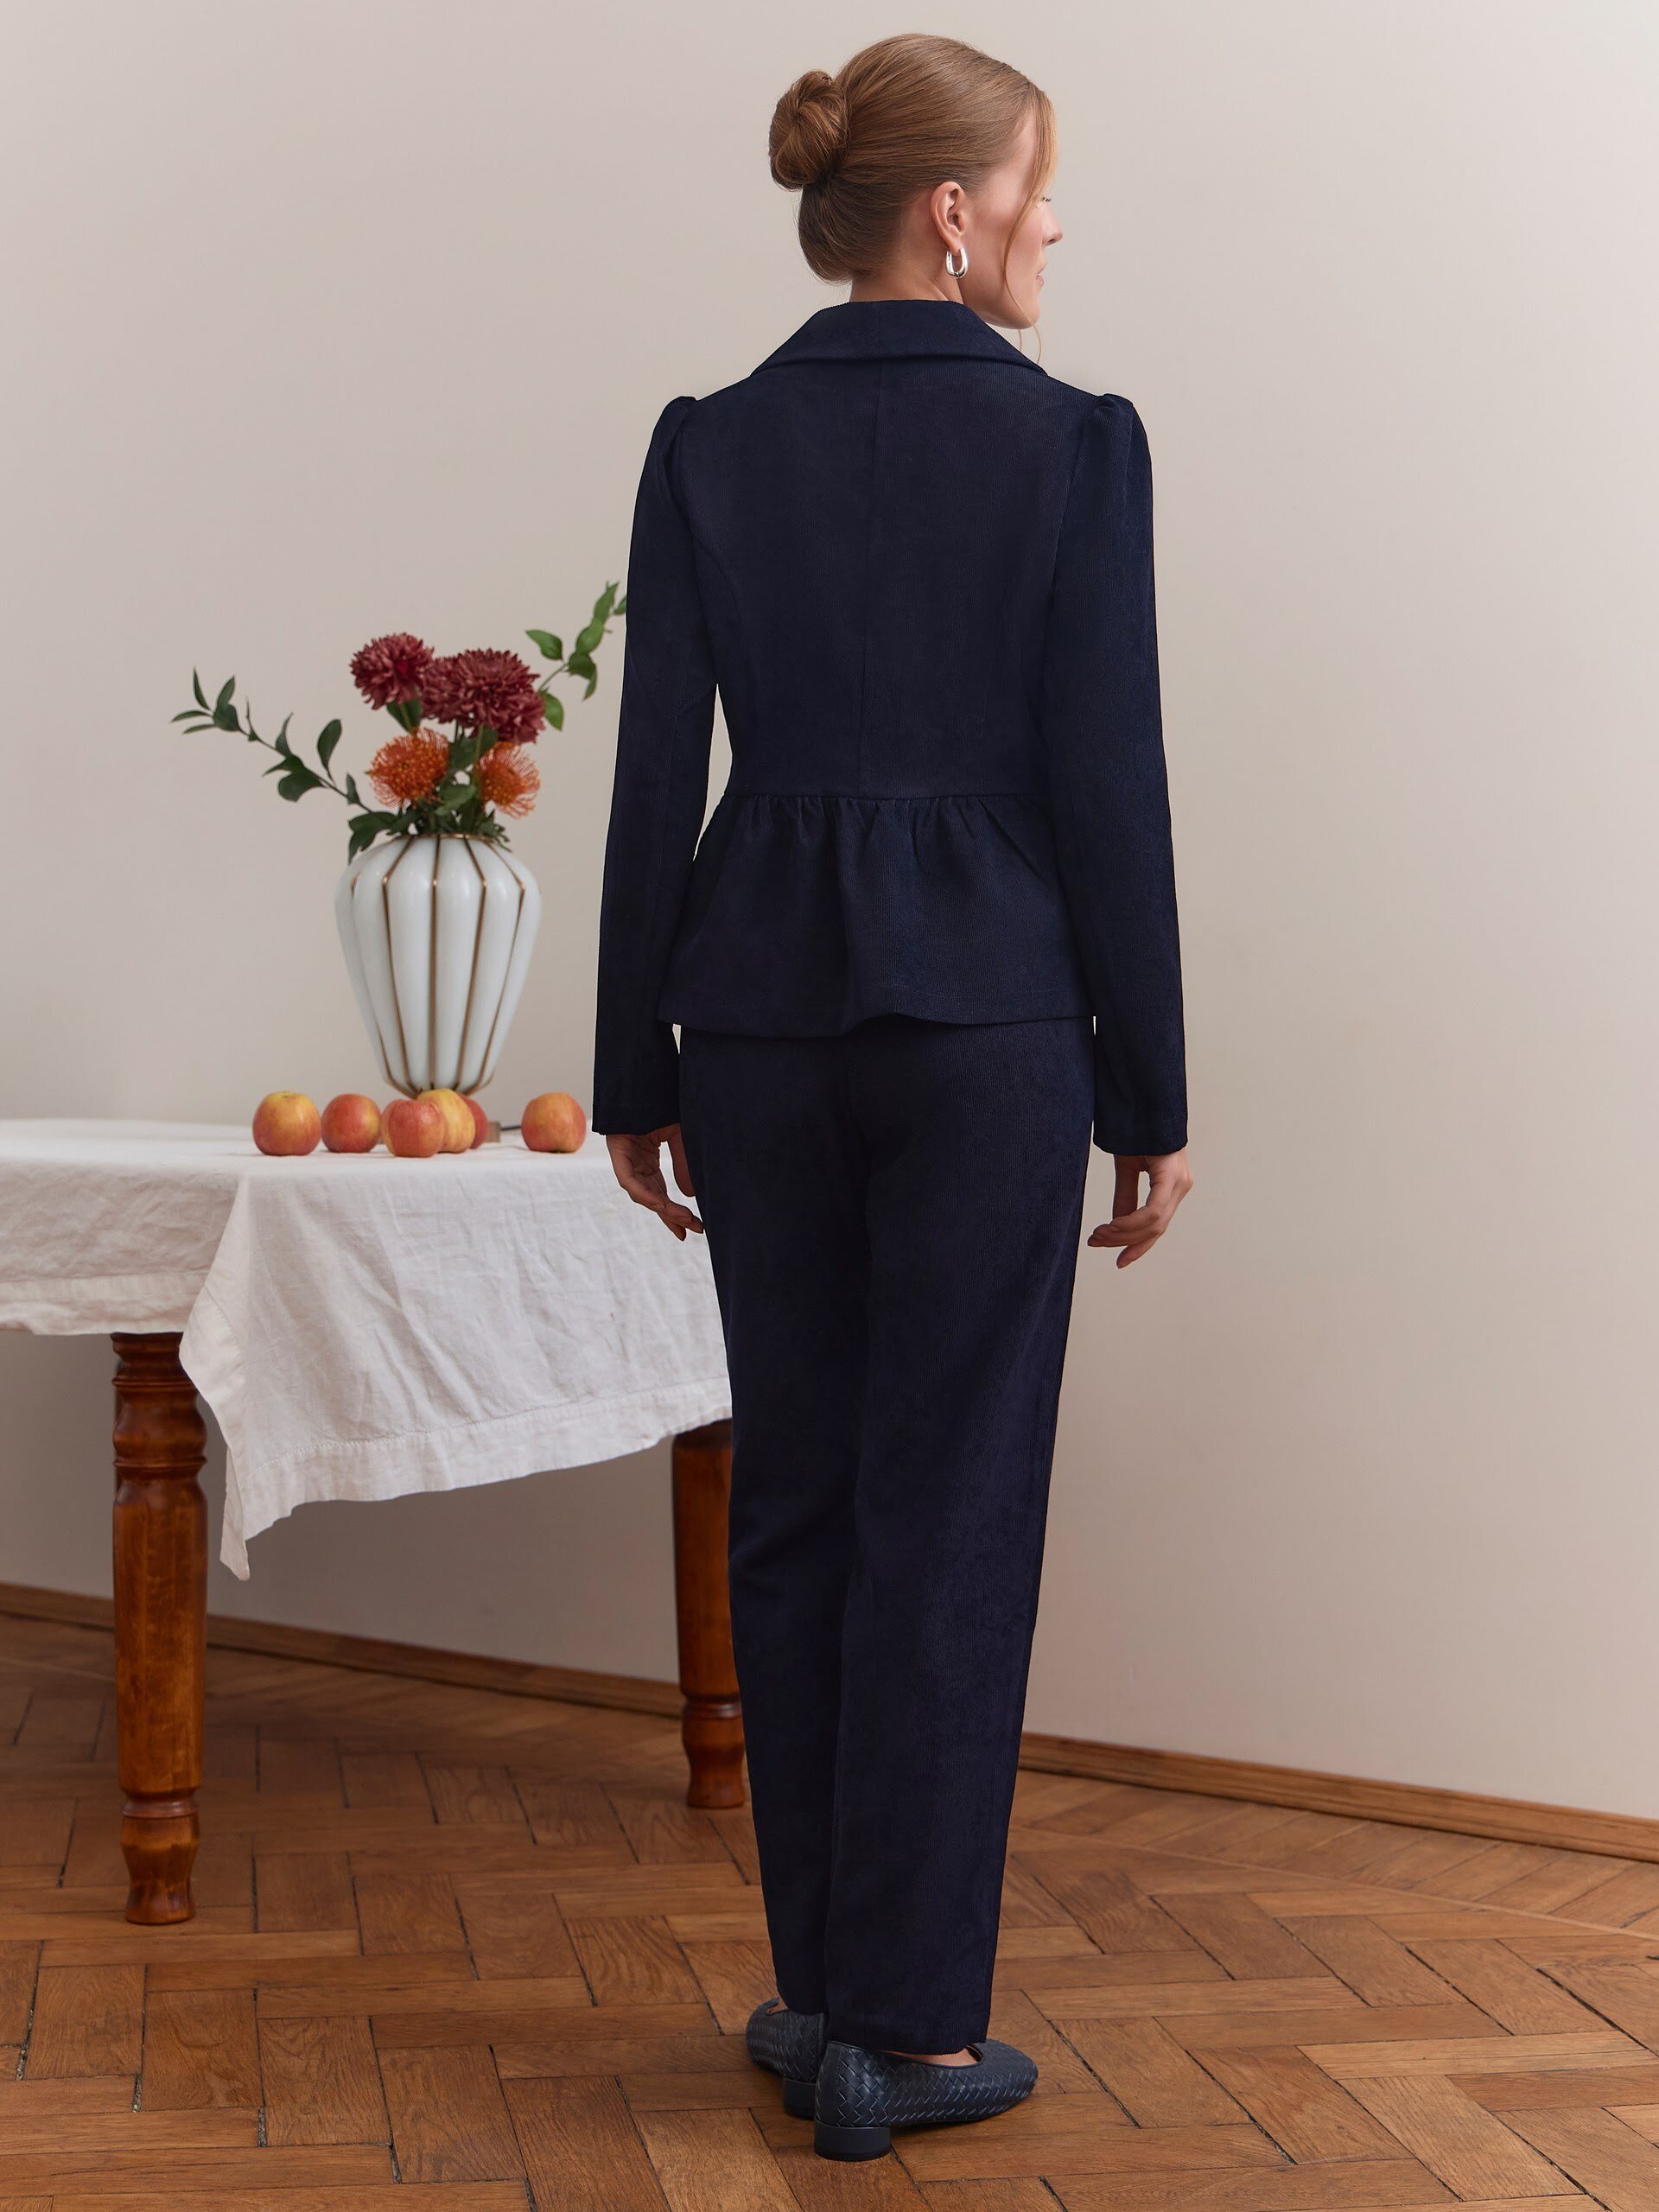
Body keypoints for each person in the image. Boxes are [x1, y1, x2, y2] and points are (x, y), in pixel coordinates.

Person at [592, 31, 1192, 2164]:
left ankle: (823, 1992)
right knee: (954, 1506)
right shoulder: (1077, 447)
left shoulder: (705, 443)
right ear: (955, 211)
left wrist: (627, 1062)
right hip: (989, 1029)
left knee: (802, 1494)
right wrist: (1150, 1080)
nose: (1054, 223)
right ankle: (912, 2032)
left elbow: (654, 765)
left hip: (753, 1021)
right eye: (1039, 187)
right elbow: (1106, 778)